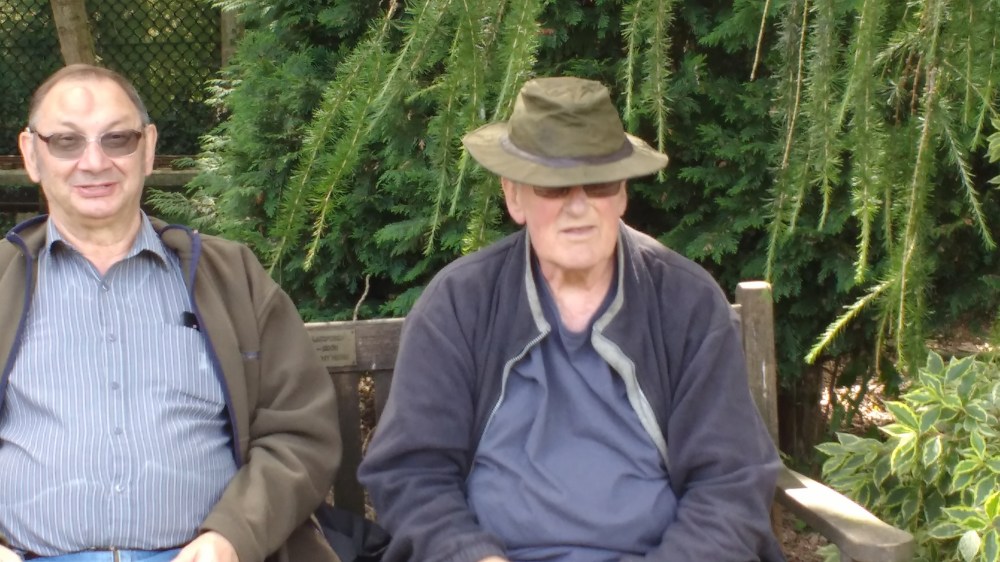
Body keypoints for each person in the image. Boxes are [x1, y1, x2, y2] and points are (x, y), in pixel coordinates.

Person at [358, 76, 786, 562]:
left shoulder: (686, 302)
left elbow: (730, 482)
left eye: (598, 183)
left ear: (621, 193)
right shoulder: (459, 303)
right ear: (514, 197)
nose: (578, 207)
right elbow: (412, 474)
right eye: (553, 186)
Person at [0, 64, 341, 562]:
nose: (94, 162)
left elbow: (299, 430)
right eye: (67, 142)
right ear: (32, 153)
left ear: (148, 148)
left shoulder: (232, 278)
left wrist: (231, 538)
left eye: (117, 139)